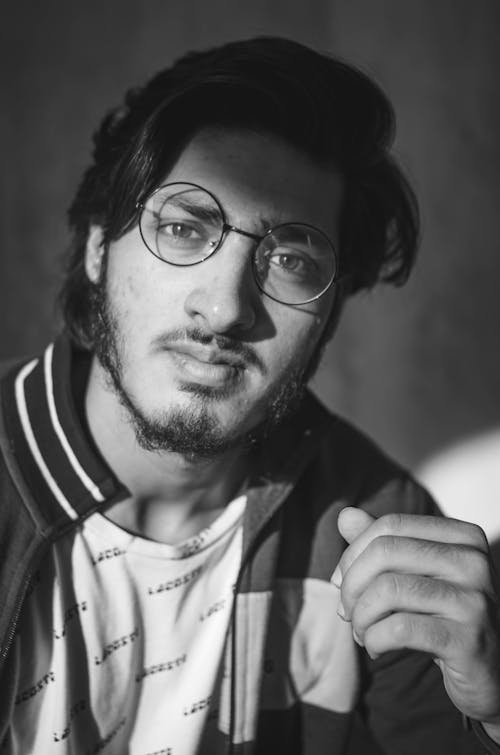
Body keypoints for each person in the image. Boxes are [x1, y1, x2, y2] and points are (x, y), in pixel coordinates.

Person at [0, 36, 499, 755]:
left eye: (291, 261)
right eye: (182, 227)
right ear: (98, 245)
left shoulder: (375, 529)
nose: (227, 308)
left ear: (332, 309)